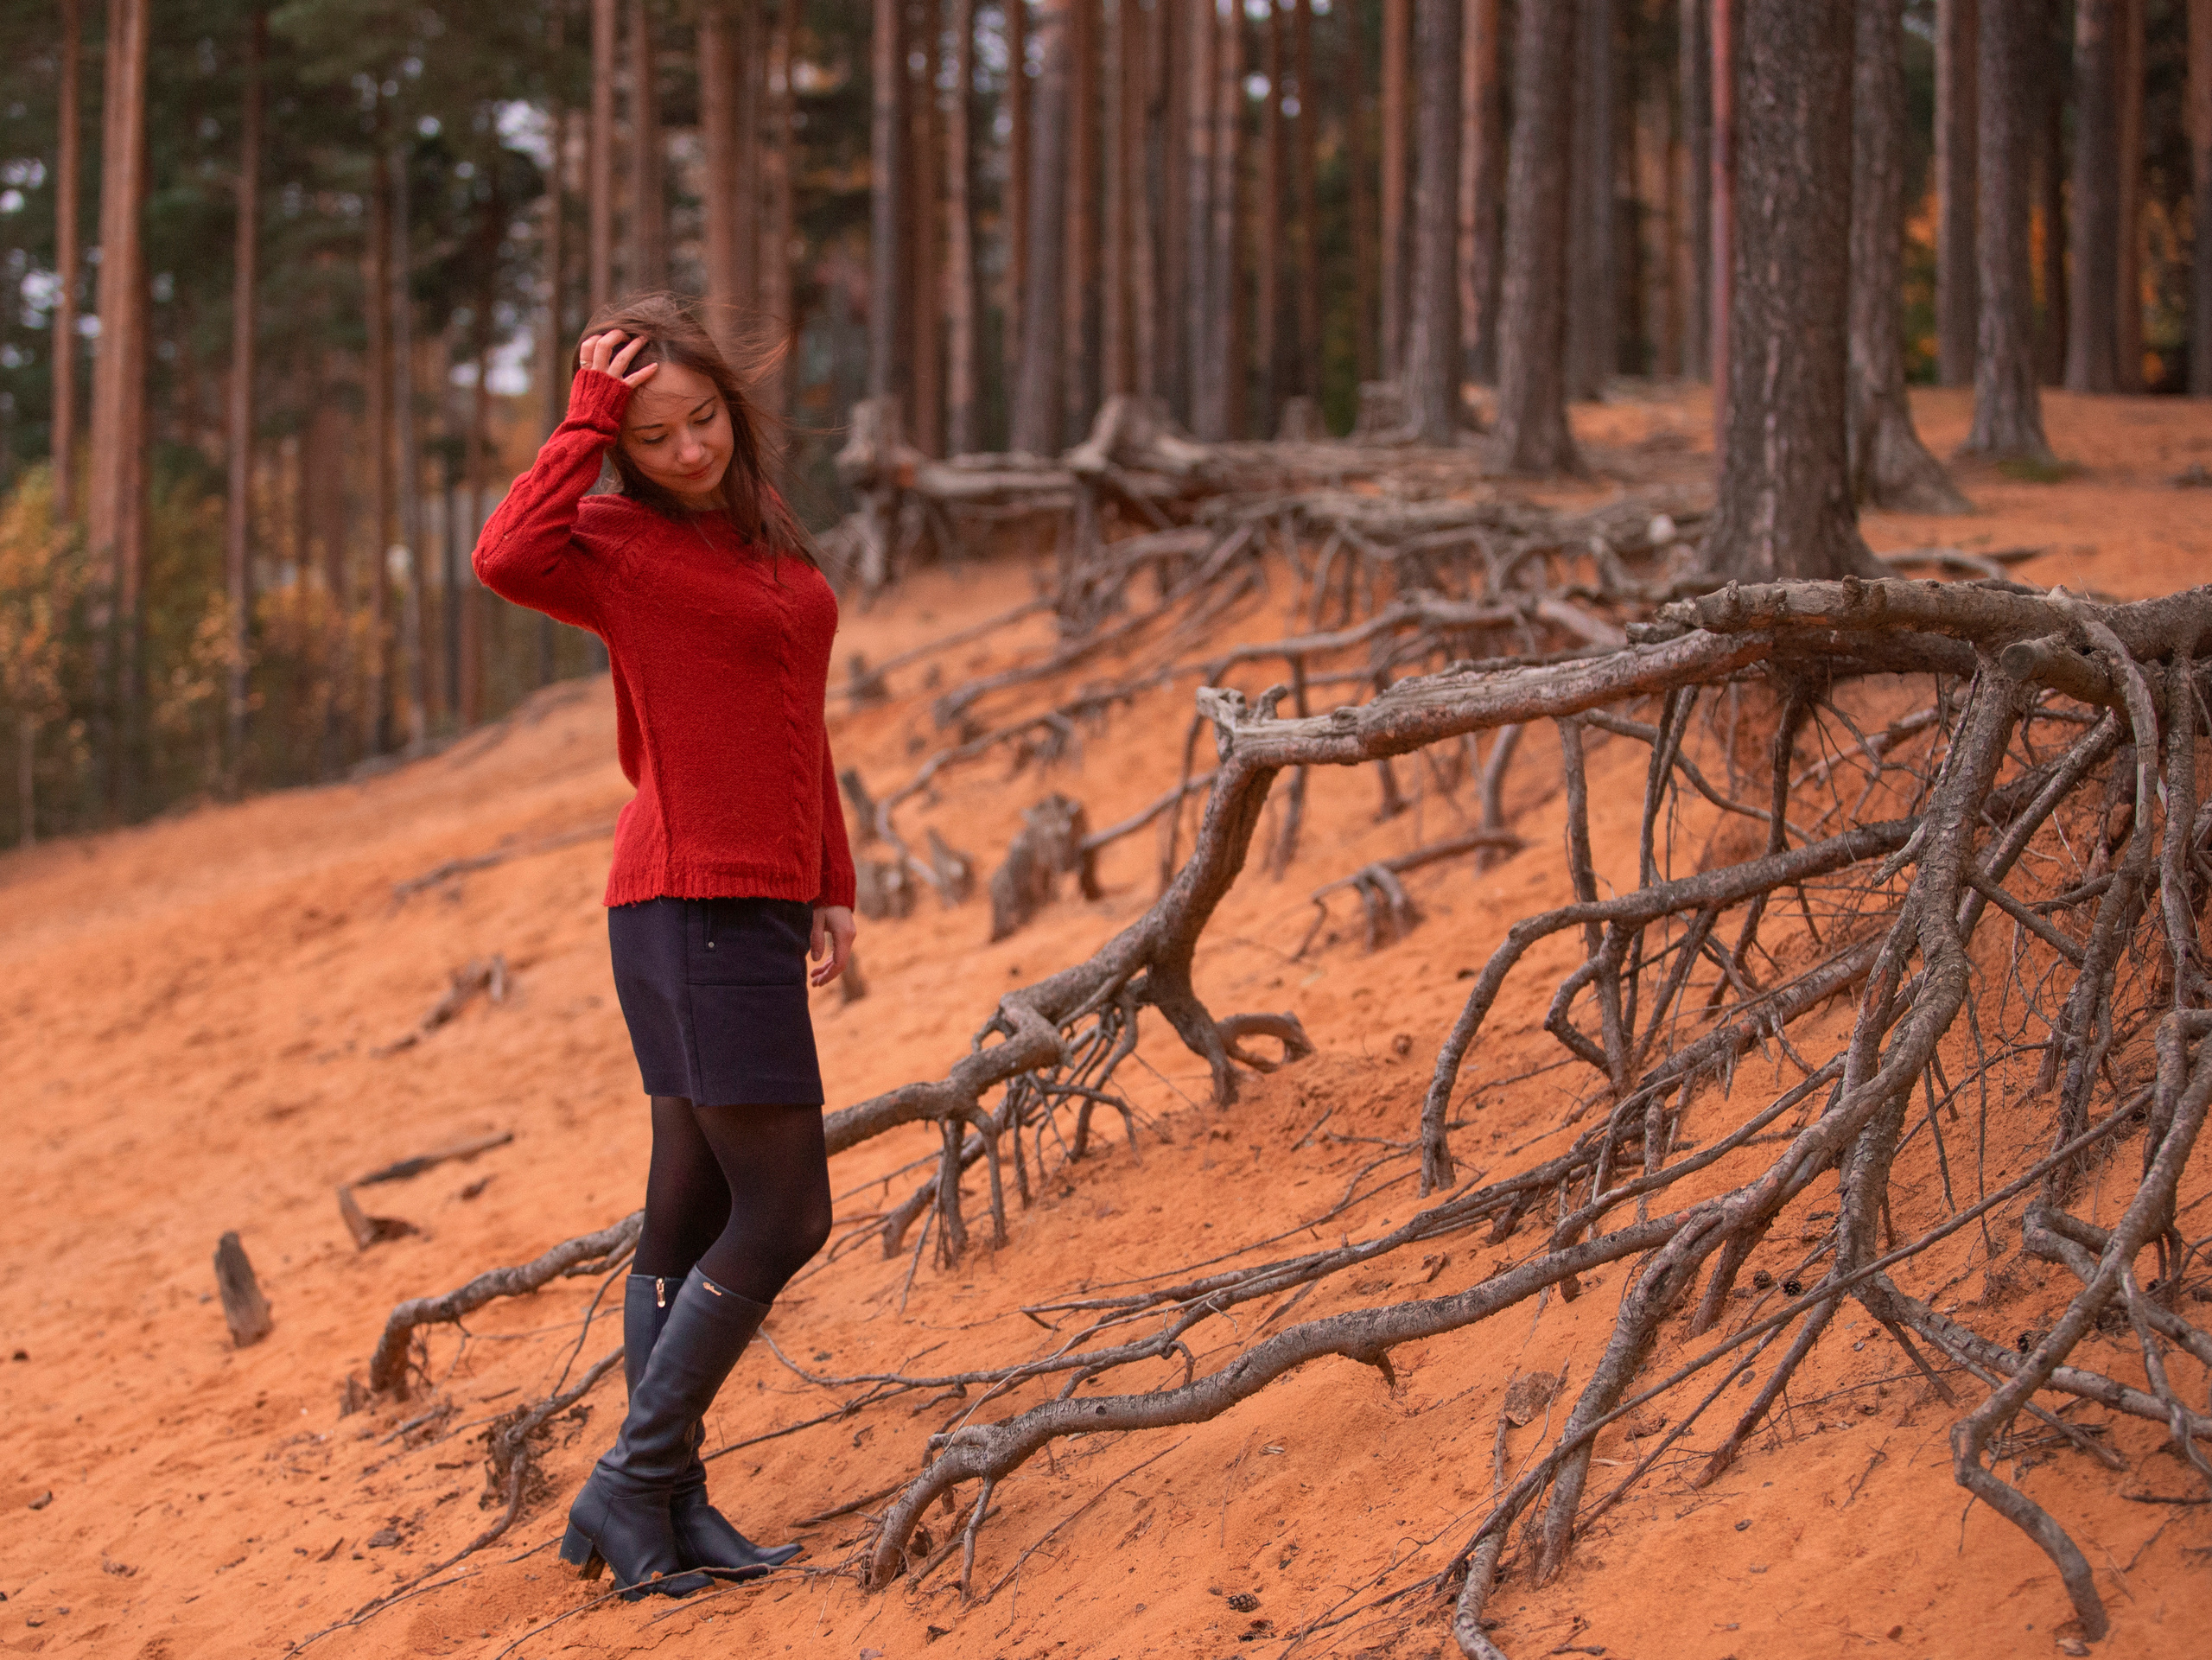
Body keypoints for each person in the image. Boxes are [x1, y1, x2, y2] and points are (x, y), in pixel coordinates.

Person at [473, 293, 856, 1600]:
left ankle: (665, 1504)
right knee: (788, 1207)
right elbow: (503, 557)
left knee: (690, 1213)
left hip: (732, 899)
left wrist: (832, 879)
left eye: (702, 419)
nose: (687, 448)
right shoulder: (617, 542)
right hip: (689, 898)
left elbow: (795, 721)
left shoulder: (762, 547)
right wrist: (583, 419)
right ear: (619, 443)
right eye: (654, 433)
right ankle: (637, 1479)